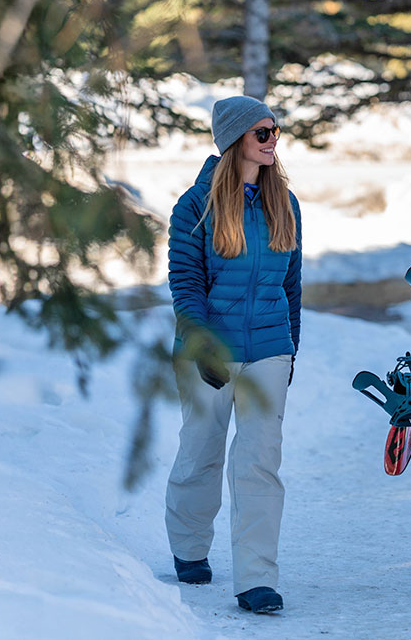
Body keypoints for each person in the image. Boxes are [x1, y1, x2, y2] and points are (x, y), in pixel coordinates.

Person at [164, 95, 301, 614]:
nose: (272, 141)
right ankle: (189, 547)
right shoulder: (195, 205)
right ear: (234, 140)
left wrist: (290, 353)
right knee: (202, 450)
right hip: (209, 351)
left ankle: (256, 579)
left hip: (268, 347)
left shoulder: (284, 202)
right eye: (262, 133)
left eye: (275, 132)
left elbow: (292, 286)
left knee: (259, 463)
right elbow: (186, 284)